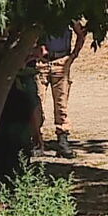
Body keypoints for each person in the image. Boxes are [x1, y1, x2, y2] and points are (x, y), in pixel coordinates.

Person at [35, 21, 87, 159]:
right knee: (37, 104)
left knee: (61, 104)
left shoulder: (67, 11)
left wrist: (73, 55)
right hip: (41, 62)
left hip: (61, 61)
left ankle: (62, 140)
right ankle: (37, 141)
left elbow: (81, 32)